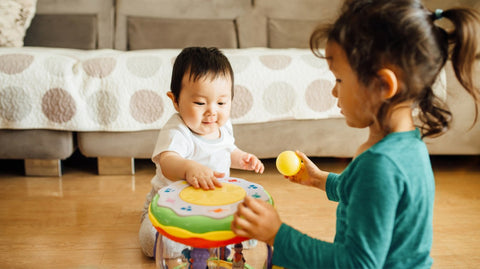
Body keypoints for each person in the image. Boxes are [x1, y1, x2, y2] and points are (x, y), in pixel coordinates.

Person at [231, 0, 480, 268]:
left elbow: (357, 263)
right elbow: (369, 194)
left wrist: (278, 235)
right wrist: (321, 180)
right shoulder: (407, 144)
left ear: (383, 85)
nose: (334, 91)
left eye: (339, 79)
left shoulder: (381, 166)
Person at [140, 47, 264, 258]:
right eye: (200, 103)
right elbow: (167, 162)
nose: (212, 111)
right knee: (152, 241)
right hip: (171, 207)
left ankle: (207, 238)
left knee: (253, 224)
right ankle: (204, 242)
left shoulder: (222, 126)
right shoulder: (177, 130)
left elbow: (227, 149)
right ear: (175, 101)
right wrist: (189, 168)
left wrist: (242, 157)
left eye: (222, 103)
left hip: (213, 205)